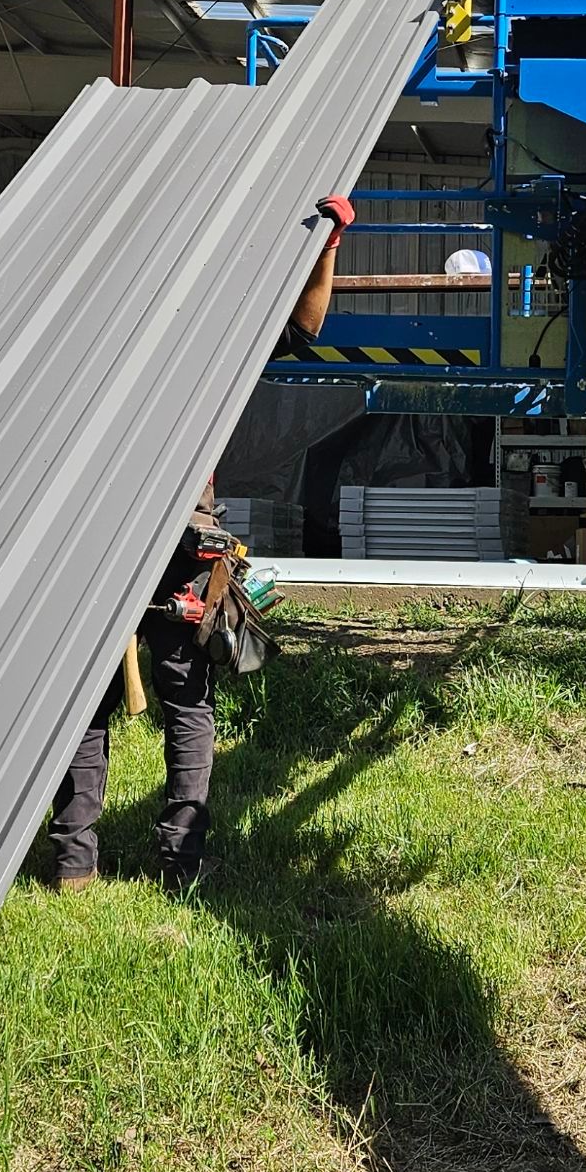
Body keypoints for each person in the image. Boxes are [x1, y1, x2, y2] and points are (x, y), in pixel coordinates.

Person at [46, 197, 350, 897]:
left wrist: (327, 246)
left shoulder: (201, 329)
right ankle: (94, 863)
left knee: (170, 699)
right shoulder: (120, 328)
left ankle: (139, 863)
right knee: (116, 703)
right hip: (109, 536)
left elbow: (302, 325)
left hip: (167, 543)